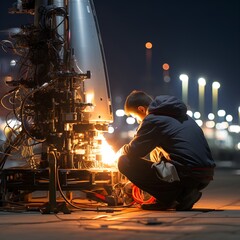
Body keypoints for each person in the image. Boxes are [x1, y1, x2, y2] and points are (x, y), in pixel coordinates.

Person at [117, 90, 215, 210]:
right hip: (204, 174)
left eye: (135, 116)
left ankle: (179, 196)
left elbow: (135, 151)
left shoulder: (153, 119)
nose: (137, 121)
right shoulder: (180, 116)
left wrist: (119, 153)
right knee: (155, 149)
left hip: (188, 173)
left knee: (124, 162)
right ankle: (180, 194)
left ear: (141, 109)